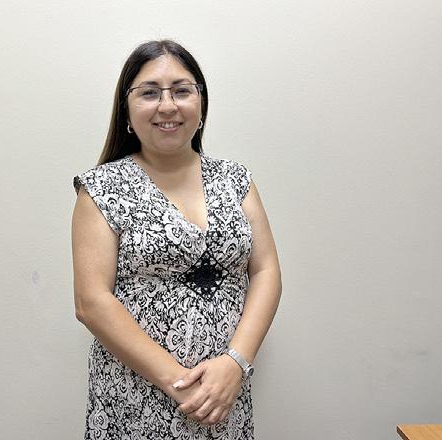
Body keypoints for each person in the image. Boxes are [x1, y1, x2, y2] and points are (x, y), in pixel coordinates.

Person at [71, 39, 282, 439]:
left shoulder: (236, 180)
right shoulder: (100, 188)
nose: (167, 105)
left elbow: (266, 270)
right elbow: (91, 302)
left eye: (182, 91)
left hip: (225, 394)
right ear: (127, 110)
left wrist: (235, 364)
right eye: (150, 92)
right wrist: (181, 385)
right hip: (136, 396)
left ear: (201, 104)